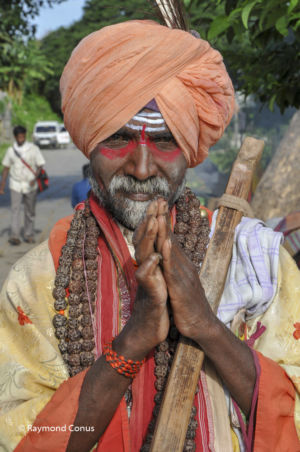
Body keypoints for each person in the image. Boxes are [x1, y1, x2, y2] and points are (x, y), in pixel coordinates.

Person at [0, 19, 299, 452]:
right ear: (89, 141)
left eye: (163, 142)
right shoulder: (36, 281)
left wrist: (207, 328)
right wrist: (134, 340)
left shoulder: (255, 259)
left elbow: (290, 413)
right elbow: (27, 438)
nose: (142, 169)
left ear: (189, 148)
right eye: (120, 139)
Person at [0, 125, 45, 245]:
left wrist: (35, 178)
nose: (21, 139)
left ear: (25, 136)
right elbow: (6, 168)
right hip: (15, 184)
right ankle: (15, 236)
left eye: (23, 136)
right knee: (15, 210)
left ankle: (28, 234)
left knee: (29, 211)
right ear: (15, 137)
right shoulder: (11, 151)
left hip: (30, 184)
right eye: (19, 137)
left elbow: (40, 165)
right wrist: (2, 184)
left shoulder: (33, 149)